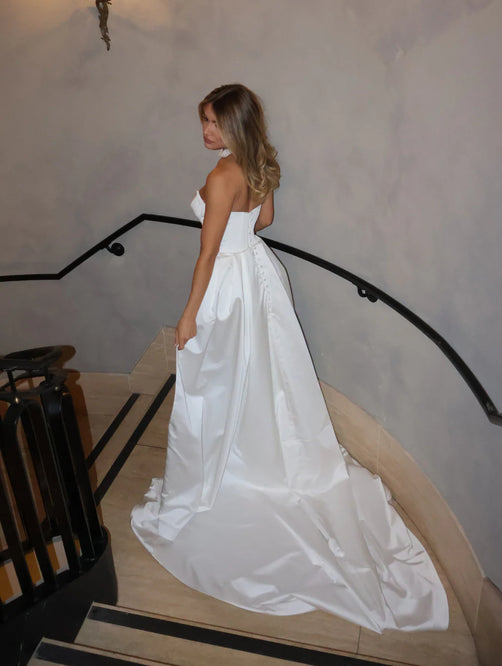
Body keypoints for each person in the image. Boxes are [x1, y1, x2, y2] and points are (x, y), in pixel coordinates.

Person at [131, 83, 449, 633]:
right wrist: (240, 235)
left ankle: (225, 463)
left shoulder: (221, 176)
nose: (205, 131)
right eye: (203, 120)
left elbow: (207, 253)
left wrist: (188, 314)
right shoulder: (258, 164)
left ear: (233, 124)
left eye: (212, 122)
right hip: (259, 274)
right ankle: (257, 450)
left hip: (227, 285)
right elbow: (265, 221)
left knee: (215, 382)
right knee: (263, 373)